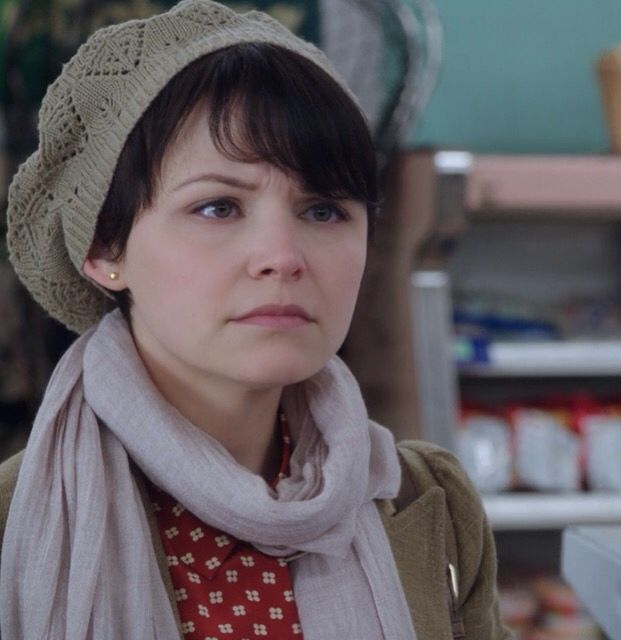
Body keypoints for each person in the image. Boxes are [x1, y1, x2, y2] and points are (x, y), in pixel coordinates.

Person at [0, 1, 512, 638]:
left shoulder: (429, 503)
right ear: (105, 250)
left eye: (323, 211)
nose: (282, 258)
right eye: (218, 208)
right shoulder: (15, 523)